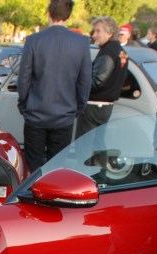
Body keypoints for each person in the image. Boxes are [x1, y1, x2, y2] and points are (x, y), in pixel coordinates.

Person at [16, 0, 91, 171]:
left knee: (33, 165)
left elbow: (24, 78)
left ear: (49, 13)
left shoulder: (34, 40)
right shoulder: (81, 43)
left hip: (36, 113)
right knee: (57, 167)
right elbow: (85, 81)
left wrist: (24, 104)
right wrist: (78, 108)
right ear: (68, 16)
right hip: (64, 115)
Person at [78, 16, 128, 137]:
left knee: (84, 144)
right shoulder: (121, 52)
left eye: (98, 31)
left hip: (94, 106)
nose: (94, 35)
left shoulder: (108, 53)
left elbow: (97, 81)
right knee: (98, 143)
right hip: (106, 107)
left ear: (109, 33)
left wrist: (78, 84)